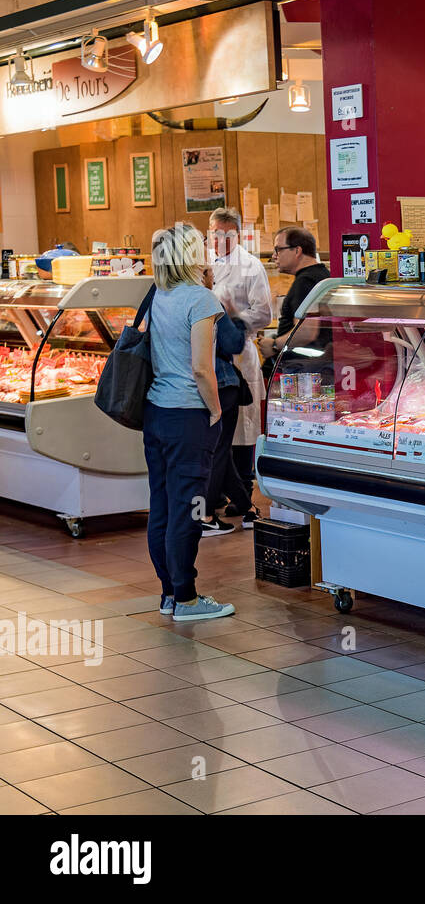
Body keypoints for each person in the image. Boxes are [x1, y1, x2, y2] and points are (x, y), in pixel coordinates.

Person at [141, 224, 236, 622]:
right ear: (190, 256)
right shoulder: (200, 299)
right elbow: (202, 368)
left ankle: (168, 592)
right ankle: (188, 598)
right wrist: (214, 409)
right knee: (192, 507)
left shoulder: (155, 296)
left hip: (156, 414)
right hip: (188, 417)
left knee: (161, 506)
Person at [208, 208, 272, 527]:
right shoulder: (203, 263)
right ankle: (217, 492)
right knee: (218, 431)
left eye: (226, 235)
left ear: (236, 235)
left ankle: (243, 489)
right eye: (214, 234)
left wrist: (231, 320)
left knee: (242, 428)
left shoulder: (250, 266)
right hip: (208, 352)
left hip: (239, 350)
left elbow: (264, 312)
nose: (219, 241)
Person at [197, 260, 253, 537]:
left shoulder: (169, 298)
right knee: (218, 451)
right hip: (221, 383)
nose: (213, 277)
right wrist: (236, 316)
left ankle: (245, 506)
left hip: (194, 387)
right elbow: (233, 343)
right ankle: (205, 515)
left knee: (218, 449)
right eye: (210, 272)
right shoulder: (209, 301)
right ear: (203, 275)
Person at [258, 226, 329, 376]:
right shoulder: (321, 275)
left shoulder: (306, 281)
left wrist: (275, 345)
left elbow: (307, 331)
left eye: (278, 249)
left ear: (297, 251)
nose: (274, 255)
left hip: (303, 370)